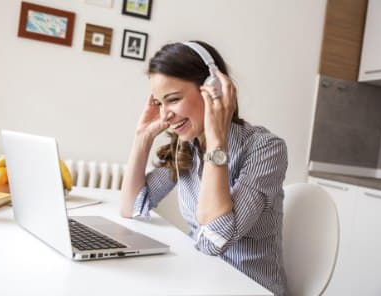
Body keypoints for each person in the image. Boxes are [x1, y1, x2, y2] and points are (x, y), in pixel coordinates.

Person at [119, 41, 288, 295]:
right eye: (159, 103)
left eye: (173, 100)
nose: (165, 115)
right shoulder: (186, 146)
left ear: (214, 90)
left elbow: (214, 240)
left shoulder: (266, 149)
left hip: (250, 288)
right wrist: (142, 138)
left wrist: (216, 140)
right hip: (200, 280)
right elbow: (131, 208)